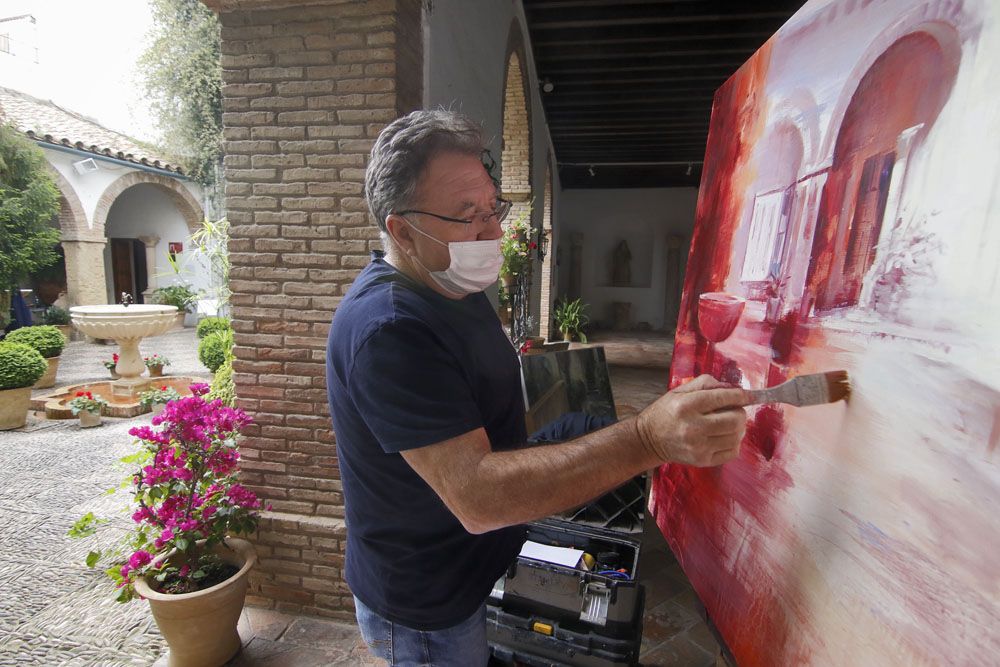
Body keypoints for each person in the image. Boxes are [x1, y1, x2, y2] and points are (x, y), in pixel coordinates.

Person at [325, 109, 750, 666]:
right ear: (402, 229)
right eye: (467, 215)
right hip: (426, 605)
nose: (494, 231)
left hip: (470, 571)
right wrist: (646, 440)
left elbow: (486, 403)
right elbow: (478, 496)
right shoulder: (390, 330)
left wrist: (598, 426)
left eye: (493, 207)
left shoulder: (454, 286)